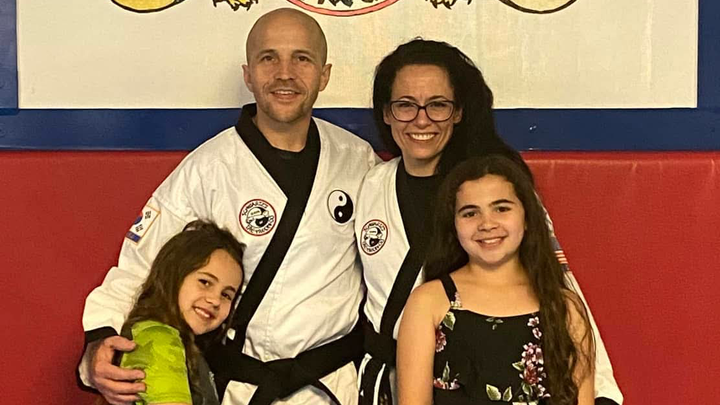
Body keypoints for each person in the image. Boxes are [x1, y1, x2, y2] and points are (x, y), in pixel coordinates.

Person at [78, 8, 377, 405]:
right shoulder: (207, 168)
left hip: (334, 384)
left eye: (302, 59)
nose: (285, 73)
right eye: (268, 58)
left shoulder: (358, 160)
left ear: (324, 75)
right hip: (239, 387)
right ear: (248, 75)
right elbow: (139, 267)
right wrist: (100, 340)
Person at [354, 39, 622, 405]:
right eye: (405, 105)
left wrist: (602, 391)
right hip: (387, 380)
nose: (421, 119)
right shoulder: (370, 185)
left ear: (458, 112)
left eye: (438, 105)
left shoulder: (494, 190)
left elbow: (554, 284)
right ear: (386, 113)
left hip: (474, 378)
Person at [397, 155, 595, 405]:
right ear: (453, 224)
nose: (487, 224)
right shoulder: (429, 302)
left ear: (527, 217)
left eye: (501, 208)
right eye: (470, 213)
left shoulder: (565, 307)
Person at [106, 220, 244, 405]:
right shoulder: (158, 338)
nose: (215, 300)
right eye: (205, 282)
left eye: (226, 295)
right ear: (172, 275)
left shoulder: (188, 347)